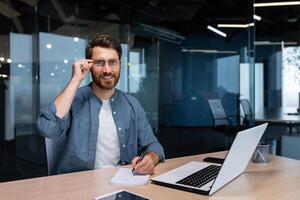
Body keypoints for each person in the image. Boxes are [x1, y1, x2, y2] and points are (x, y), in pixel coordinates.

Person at [37, 34, 165, 175]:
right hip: (79, 186)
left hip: (122, 183)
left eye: (112, 62)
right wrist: (75, 80)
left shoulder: (132, 105)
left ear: (120, 64)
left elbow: (154, 146)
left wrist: (150, 159)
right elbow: (47, 129)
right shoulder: (73, 100)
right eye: (99, 62)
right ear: (89, 66)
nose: (107, 70)